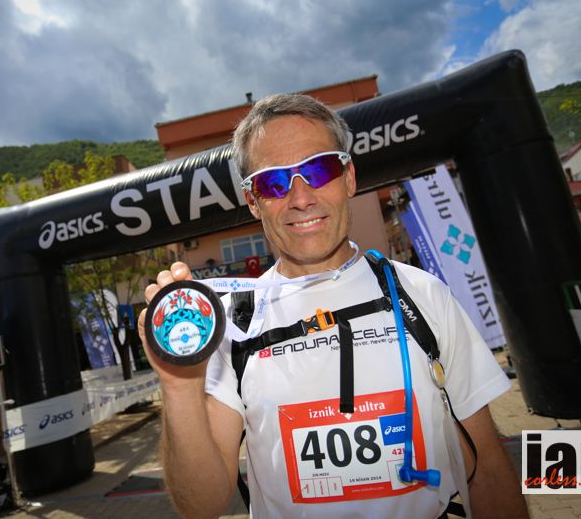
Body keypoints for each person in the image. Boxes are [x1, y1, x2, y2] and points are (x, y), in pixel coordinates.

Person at [138, 94, 529, 518]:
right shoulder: (230, 321)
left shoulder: (423, 294)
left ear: (348, 178)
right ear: (253, 201)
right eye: (273, 182)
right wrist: (178, 384)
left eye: (319, 169)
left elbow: (488, 473)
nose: (301, 197)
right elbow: (202, 506)